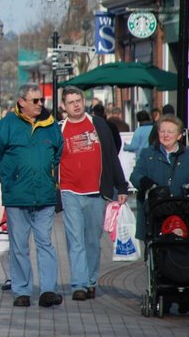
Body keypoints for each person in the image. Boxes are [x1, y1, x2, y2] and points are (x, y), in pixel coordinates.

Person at [0, 83, 63, 309]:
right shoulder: (5, 126)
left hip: (44, 196)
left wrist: (48, 174)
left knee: (45, 244)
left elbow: (57, 152)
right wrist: (9, 178)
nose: (40, 104)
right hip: (17, 196)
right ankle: (21, 290)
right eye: (35, 101)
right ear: (21, 102)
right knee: (18, 245)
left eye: (41, 100)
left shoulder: (50, 126)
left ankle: (48, 290)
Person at [57, 86, 128, 301]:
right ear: (63, 106)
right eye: (71, 102)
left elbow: (111, 156)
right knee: (75, 239)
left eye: (78, 100)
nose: (76, 105)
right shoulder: (58, 129)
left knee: (92, 240)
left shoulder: (98, 125)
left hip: (96, 191)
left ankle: (91, 281)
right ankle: (79, 284)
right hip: (69, 191)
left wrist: (121, 186)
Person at [130, 114, 189, 242]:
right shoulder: (148, 153)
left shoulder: (188, 155)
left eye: (170, 131)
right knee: (156, 254)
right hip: (155, 215)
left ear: (179, 135)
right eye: (162, 131)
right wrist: (146, 182)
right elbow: (135, 176)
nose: (166, 135)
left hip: (184, 214)